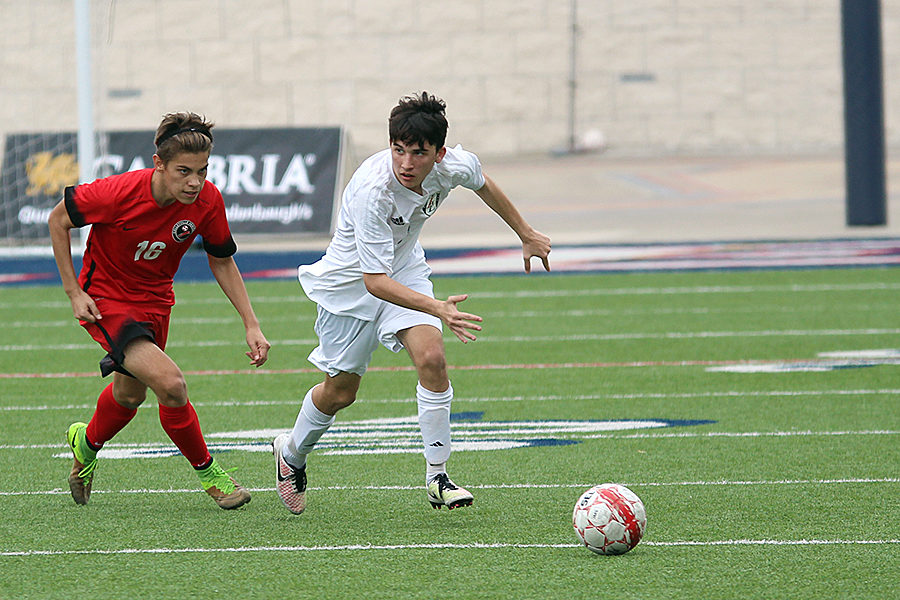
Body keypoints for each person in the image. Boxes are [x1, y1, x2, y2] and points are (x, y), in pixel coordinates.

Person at [273, 92, 551, 514]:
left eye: (417, 153)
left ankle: (437, 477)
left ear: (438, 154)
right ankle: (290, 454)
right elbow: (373, 281)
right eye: (398, 150)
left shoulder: (453, 165)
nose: (405, 163)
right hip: (348, 289)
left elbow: (483, 183)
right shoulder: (373, 190)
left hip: (402, 270)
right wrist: (436, 306)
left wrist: (526, 233)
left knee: (432, 358)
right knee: (341, 392)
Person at [47, 112, 270, 510]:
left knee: (129, 396)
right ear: (159, 164)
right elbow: (58, 219)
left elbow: (221, 260)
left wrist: (250, 323)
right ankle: (211, 475)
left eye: (202, 171)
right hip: (107, 300)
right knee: (171, 384)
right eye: (184, 171)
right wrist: (73, 291)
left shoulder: (207, 200)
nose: (194, 182)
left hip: (156, 303)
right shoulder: (117, 192)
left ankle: (86, 444)